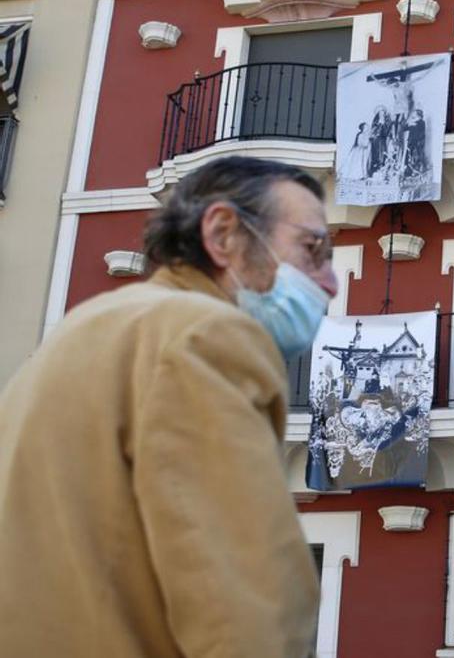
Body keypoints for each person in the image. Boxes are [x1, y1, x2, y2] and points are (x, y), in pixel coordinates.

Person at [0, 156, 340, 657]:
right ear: (224, 234)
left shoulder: (83, 328)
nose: (330, 282)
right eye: (313, 250)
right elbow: (248, 604)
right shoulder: (208, 333)